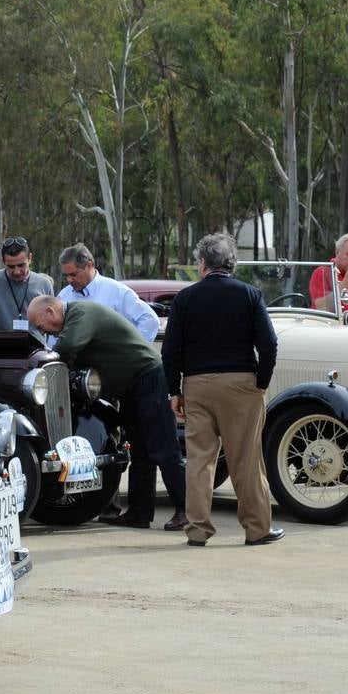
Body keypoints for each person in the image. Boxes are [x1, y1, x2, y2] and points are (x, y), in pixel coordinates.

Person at [162, 232, 282, 547]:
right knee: (246, 458)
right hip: (241, 383)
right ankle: (257, 530)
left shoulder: (185, 298)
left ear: (203, 264)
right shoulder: (250, 294)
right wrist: (261, 382)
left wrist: (174, 390)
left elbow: (170, 350)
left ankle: (198, 531)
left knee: (200, 460)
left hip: (197, 385)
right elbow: (268, 344)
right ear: (232, 264)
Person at [26, 295, 187, 531]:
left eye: (42, 326)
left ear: (50, 312)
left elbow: (66, 348)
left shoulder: (81, 314)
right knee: (141, 452)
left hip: (148, 379)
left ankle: (188, 510)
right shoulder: (74, 317)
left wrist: (39, 361)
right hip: (130, 387)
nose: (47, 333)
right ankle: (140, 513)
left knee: (164, 449)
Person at [57, 243, 159, 341]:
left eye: (73, 274)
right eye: (66, 275)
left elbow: (150, 320)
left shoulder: (117, 292)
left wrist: (132, 353)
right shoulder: (63, 296)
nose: (69, 280)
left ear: (89, 265)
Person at [309, 232, 348, 325]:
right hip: (336, 337)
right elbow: (321, 307)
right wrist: (346, 282)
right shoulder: (322, 272)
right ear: (337, 252)